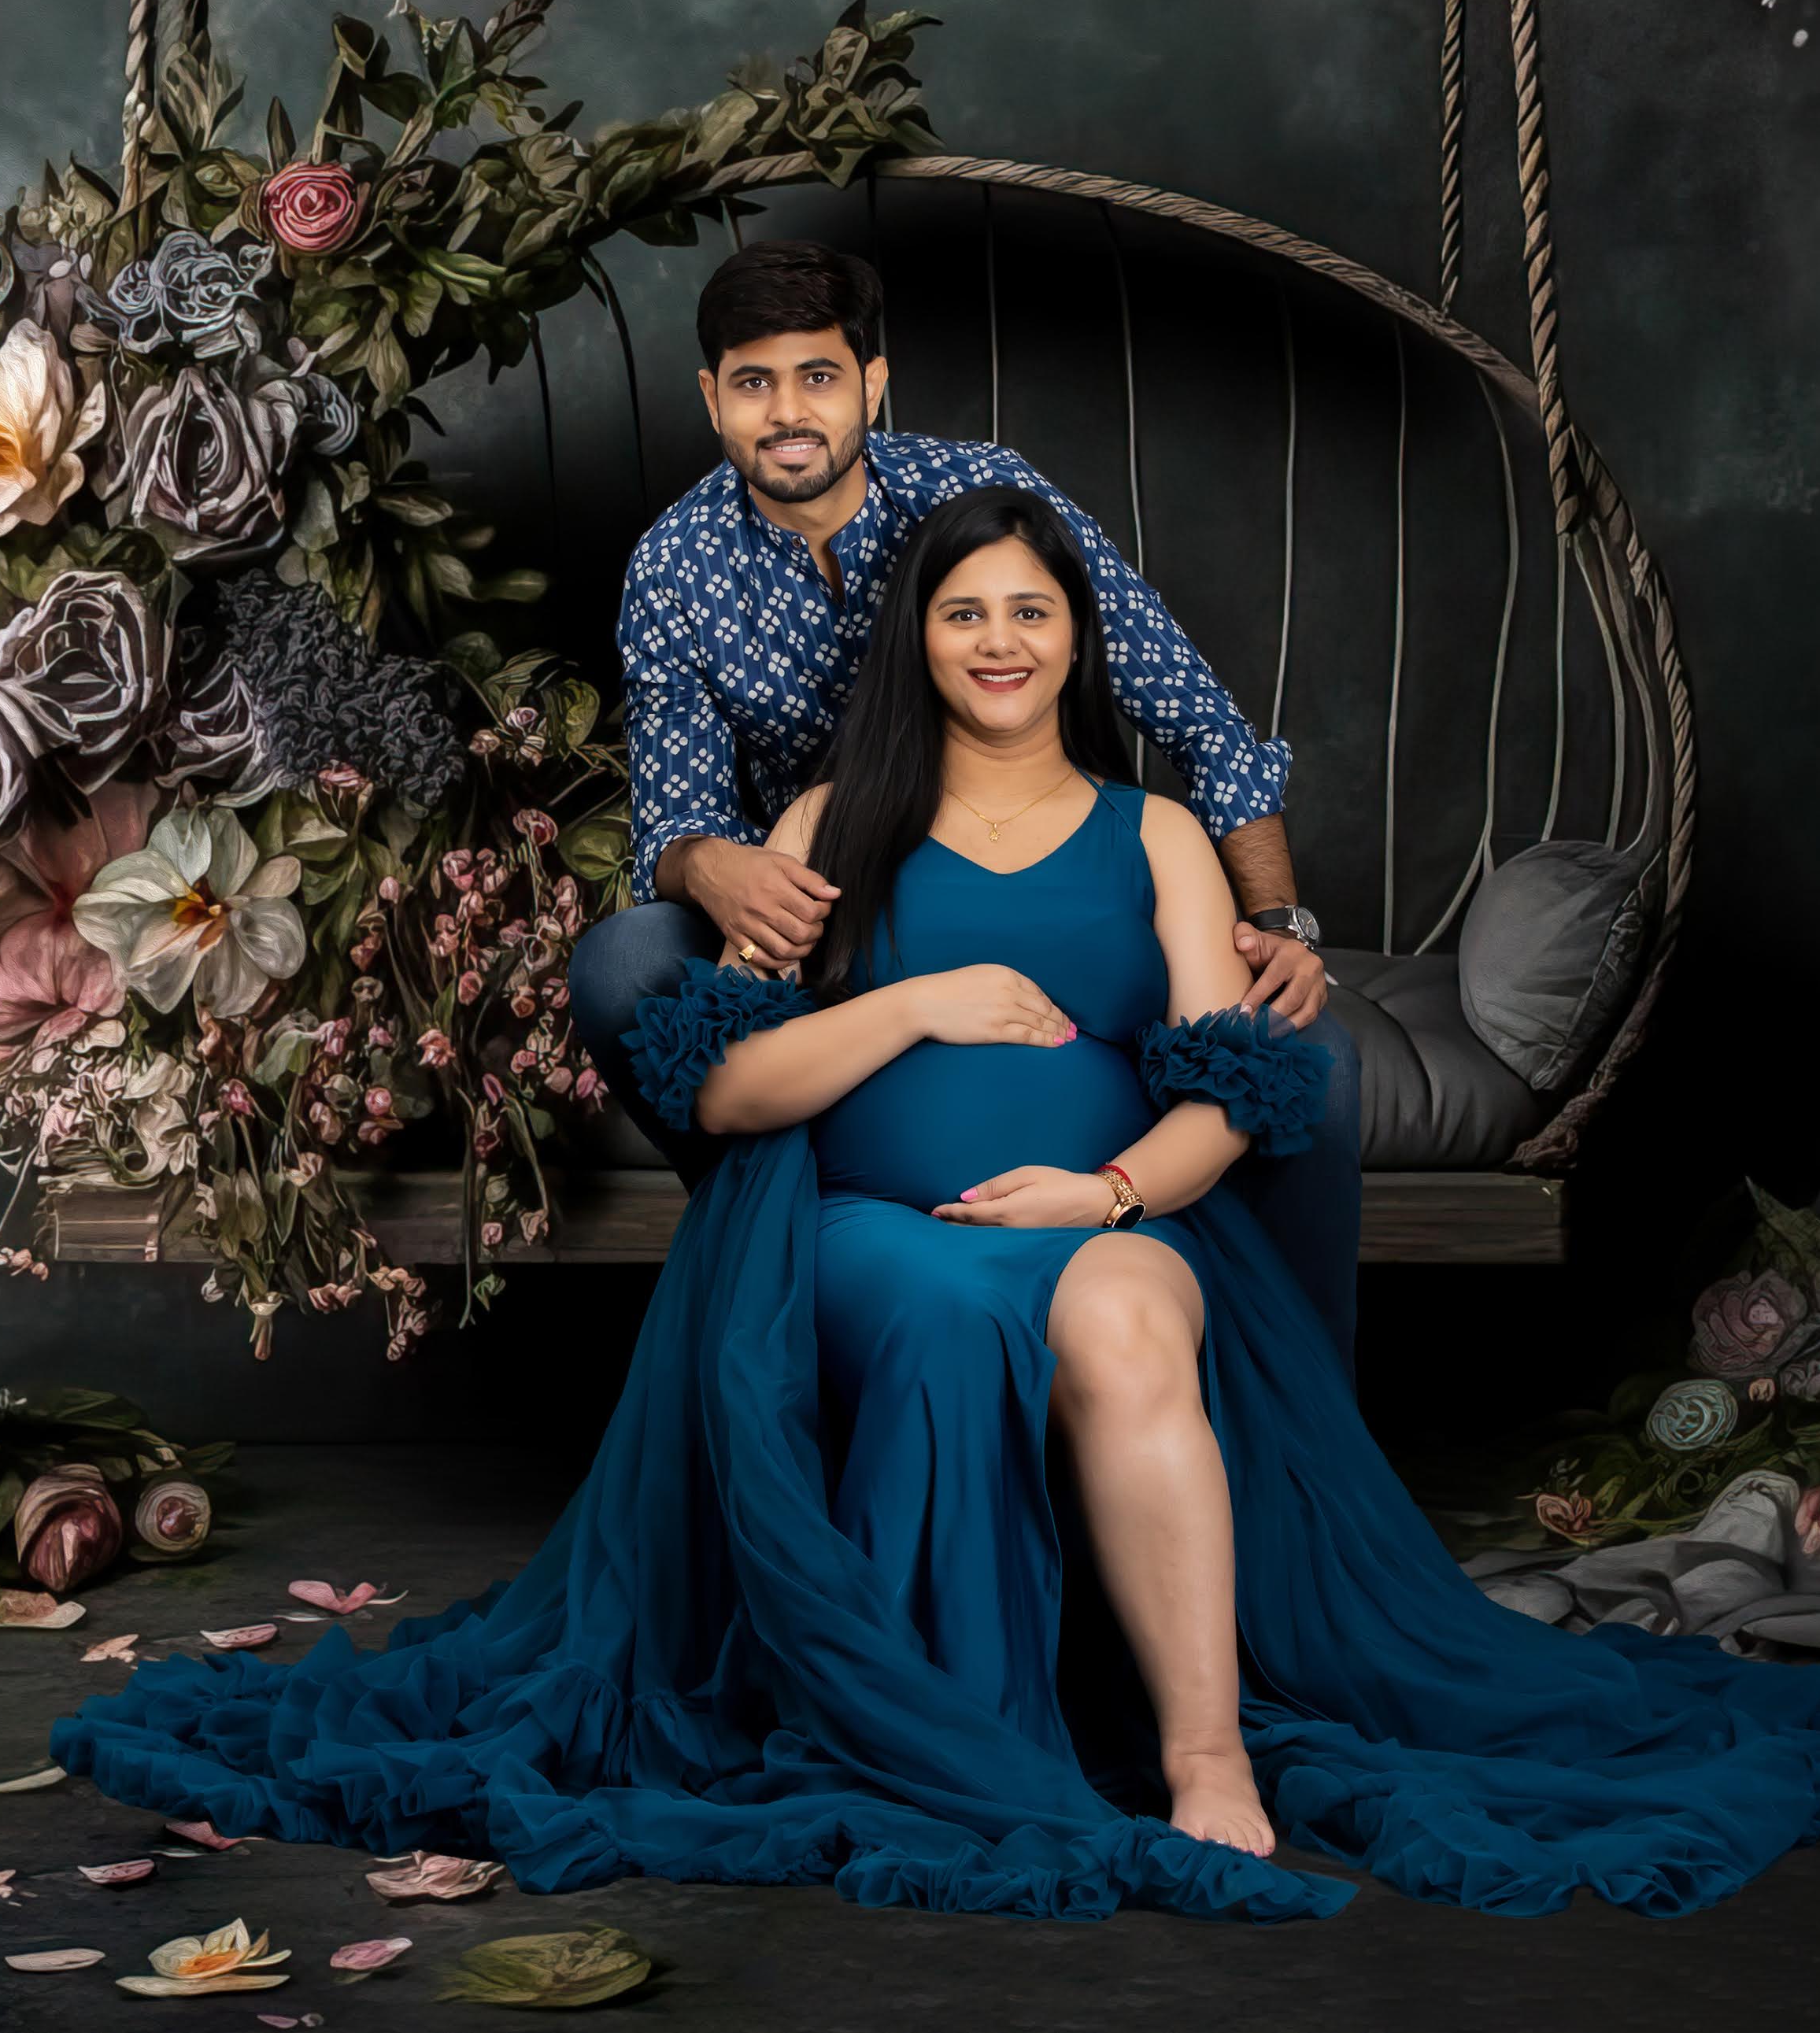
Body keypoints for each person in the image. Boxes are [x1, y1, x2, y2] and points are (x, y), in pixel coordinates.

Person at [52, 485, 1820, 1923]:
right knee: (972, 1302)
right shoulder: (831, 831)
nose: (998, 642)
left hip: (1087, 1199)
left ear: (1079, 637)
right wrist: (912, 998)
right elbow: (728, 1087)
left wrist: (1108, 1182)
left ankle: (1205, 1753)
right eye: (963, 613)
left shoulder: (1152, 836)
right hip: (856, 1233)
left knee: (1137, 1299)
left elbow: (1237, 1083)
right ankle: (966, 1720)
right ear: (917, 642)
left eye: (1032, 613)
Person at [571, 238, 1371, 1362]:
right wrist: (720, 867)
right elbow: (675, 817)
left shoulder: (978, 495)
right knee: (622, 964)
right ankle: (767, 1225)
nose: (787, 411)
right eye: (753, 382)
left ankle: (1291, 1399)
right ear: (711, 398)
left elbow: (1198, 717)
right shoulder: (673, 563)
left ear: (873, 382)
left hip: (1036, 867)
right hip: (816, 914)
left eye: (818, 376)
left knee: (1314, 1062)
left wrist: (1277, 922)